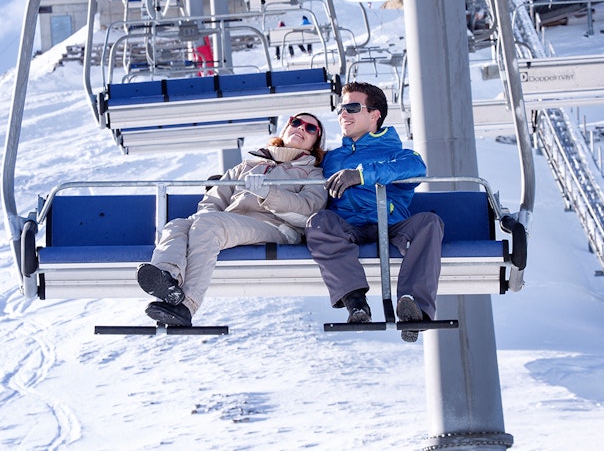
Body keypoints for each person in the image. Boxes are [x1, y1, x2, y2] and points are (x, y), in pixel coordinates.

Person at [136, 113, 328, 326]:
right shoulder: (247, 165)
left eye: (311, 128)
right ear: (285, 129)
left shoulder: (313, 174)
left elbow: (309, 209)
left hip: (276, 227)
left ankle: (187, 305)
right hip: (230, 222)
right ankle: (167, 280)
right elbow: (215, 198)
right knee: (177, 225)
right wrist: (201, 219)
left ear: (315, 143)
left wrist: (269, 194)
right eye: (296, 122)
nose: (301, 128)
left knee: (210, 225)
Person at [304, 81, 443, 343]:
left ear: (374, 114)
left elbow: (415, 168)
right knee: (319, 222)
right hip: (348, 227)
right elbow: (296, 167)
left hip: (390, 225)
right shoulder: (332, 158)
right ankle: (355, 302)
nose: (344, 114)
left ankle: (415, 309)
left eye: (352, 107)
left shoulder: (397, 152)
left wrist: (361, 175)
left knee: (429, 222)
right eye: (341, 109)